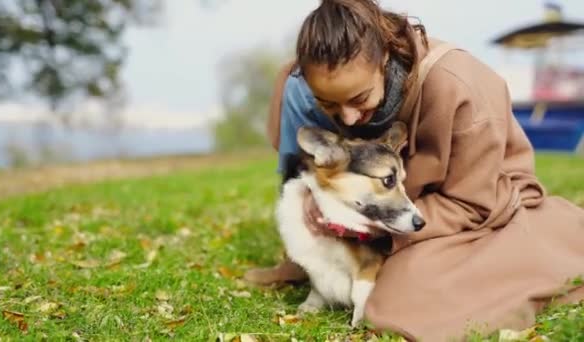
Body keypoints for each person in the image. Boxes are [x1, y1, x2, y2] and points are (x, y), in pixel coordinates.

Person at [244, 0, 584, 340]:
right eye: (331, 105)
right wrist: (315, 198)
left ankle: (557, 243)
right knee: (294, 89)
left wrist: (368, 227)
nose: (347, 118)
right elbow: (318, 151)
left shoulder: (458, 84)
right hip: (393, 202)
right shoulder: (313, 81)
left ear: (386, 57)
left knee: (395, 303)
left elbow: (473, 204)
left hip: (476, 209)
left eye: (360, 99)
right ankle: (315, 259)